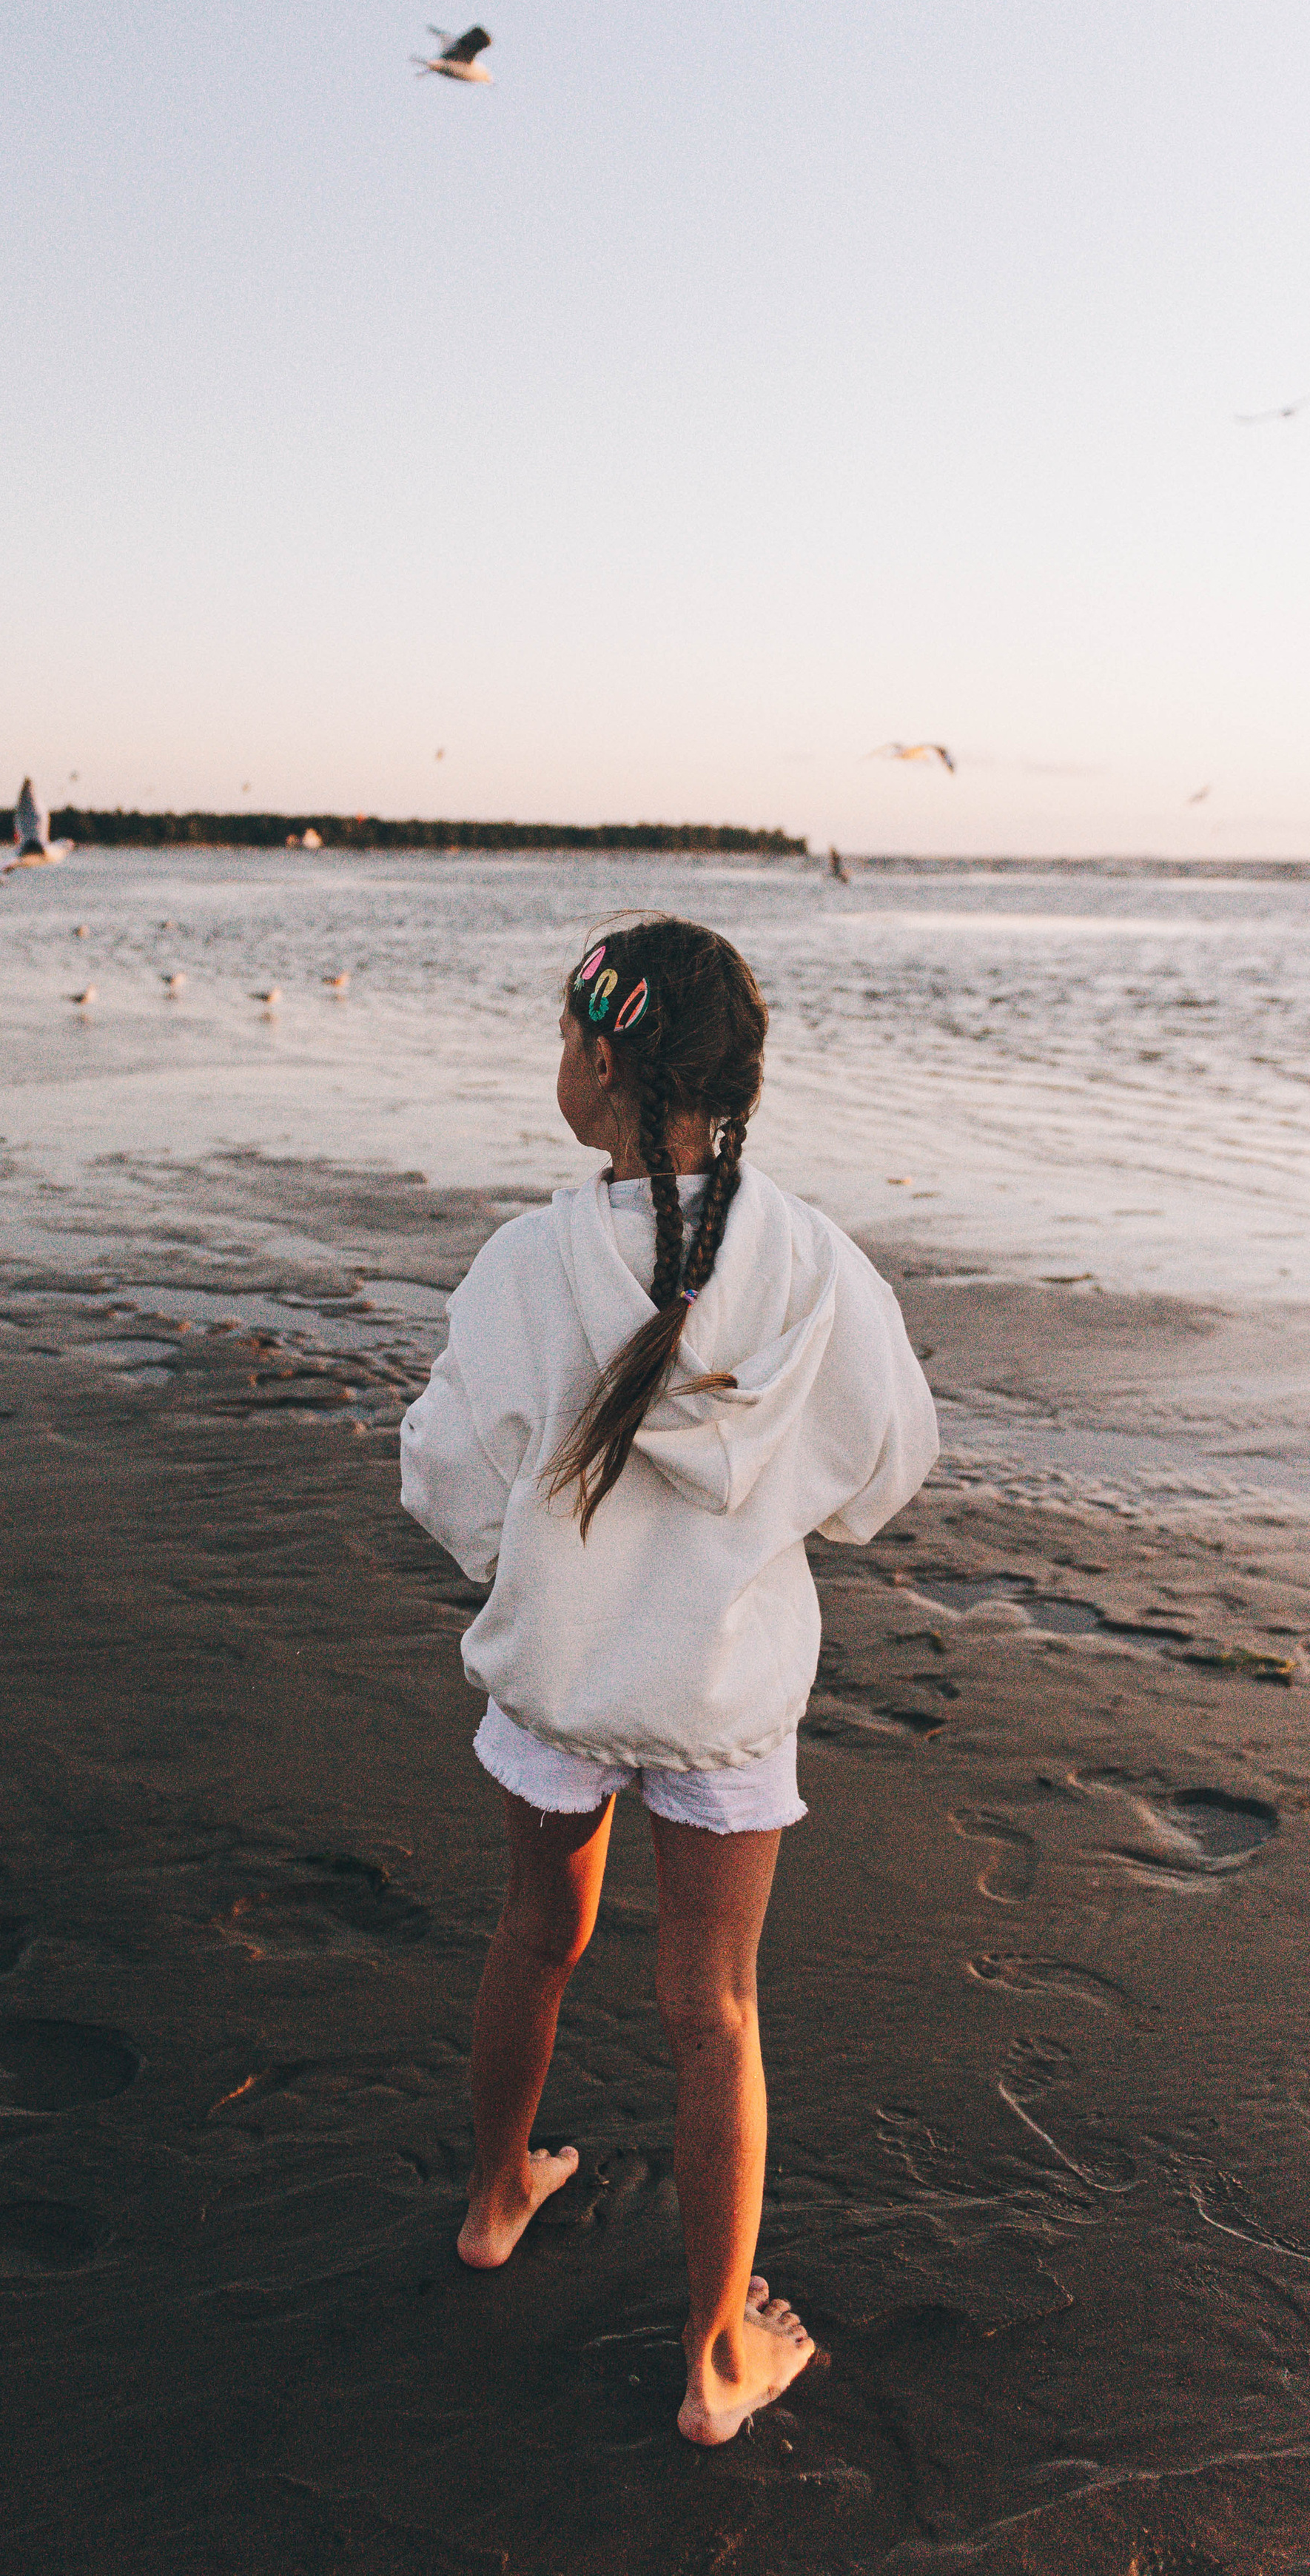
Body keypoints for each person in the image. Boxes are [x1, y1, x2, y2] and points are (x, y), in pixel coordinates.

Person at [400, 917, 938, 2444]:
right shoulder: (809, 1262)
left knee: (532, 1930)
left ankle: (496, 2196)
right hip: (717, 1693)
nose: (555, 1062)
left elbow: (448, 1471)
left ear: (606, 1062)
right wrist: (768, 1514)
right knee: (714, 2005)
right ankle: (713, 2358)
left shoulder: (527, 1262)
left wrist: (531, 1563)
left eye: (567, 1038)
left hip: (561, 1679)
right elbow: (883, 1467)